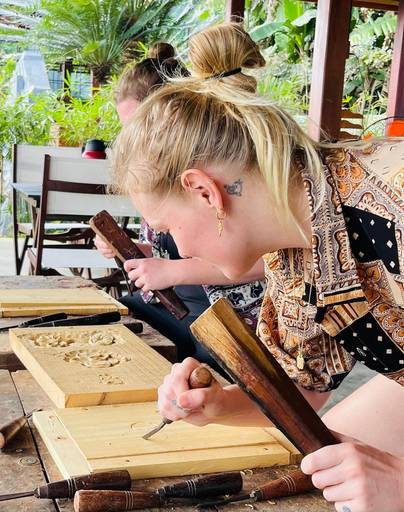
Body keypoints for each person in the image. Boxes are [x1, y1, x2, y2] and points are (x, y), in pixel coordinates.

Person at [110, 22, 404, 512]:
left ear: (205, 192)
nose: (169, 245)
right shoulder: (293, 243)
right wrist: (220, 404)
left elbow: (401, 480)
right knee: (331, 479)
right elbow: (302, 391)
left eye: (165, 225)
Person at [97, 43, 267, 372]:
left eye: (139, 124)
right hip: (174, 304)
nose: (132, 138)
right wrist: (140, 252)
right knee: (113, 326)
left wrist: (174, 270)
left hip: (229, 312)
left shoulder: (226, 166)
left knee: (204, 374)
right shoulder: (154, 170)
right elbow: (172, 249)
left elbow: (273, 259)